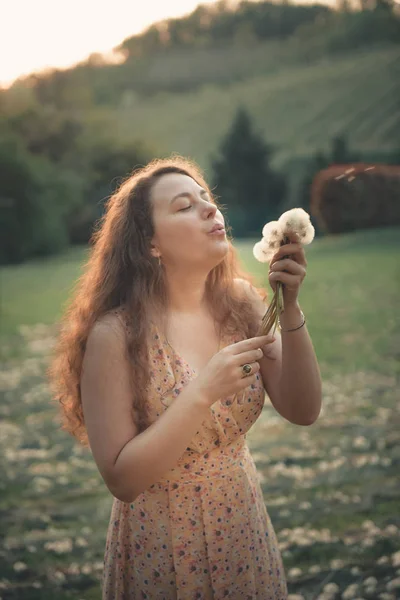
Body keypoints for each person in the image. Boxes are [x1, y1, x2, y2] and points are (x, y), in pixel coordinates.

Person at [48, 156, 322, 599]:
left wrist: (289, 306)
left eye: (207, 199)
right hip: (163, 550)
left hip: (243, 530)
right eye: (184, 206)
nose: (210, 210)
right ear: (150, 243)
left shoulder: (241, 303)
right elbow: (122, 480)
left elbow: (304, 410)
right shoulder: (115, 336)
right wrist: (202, 392)